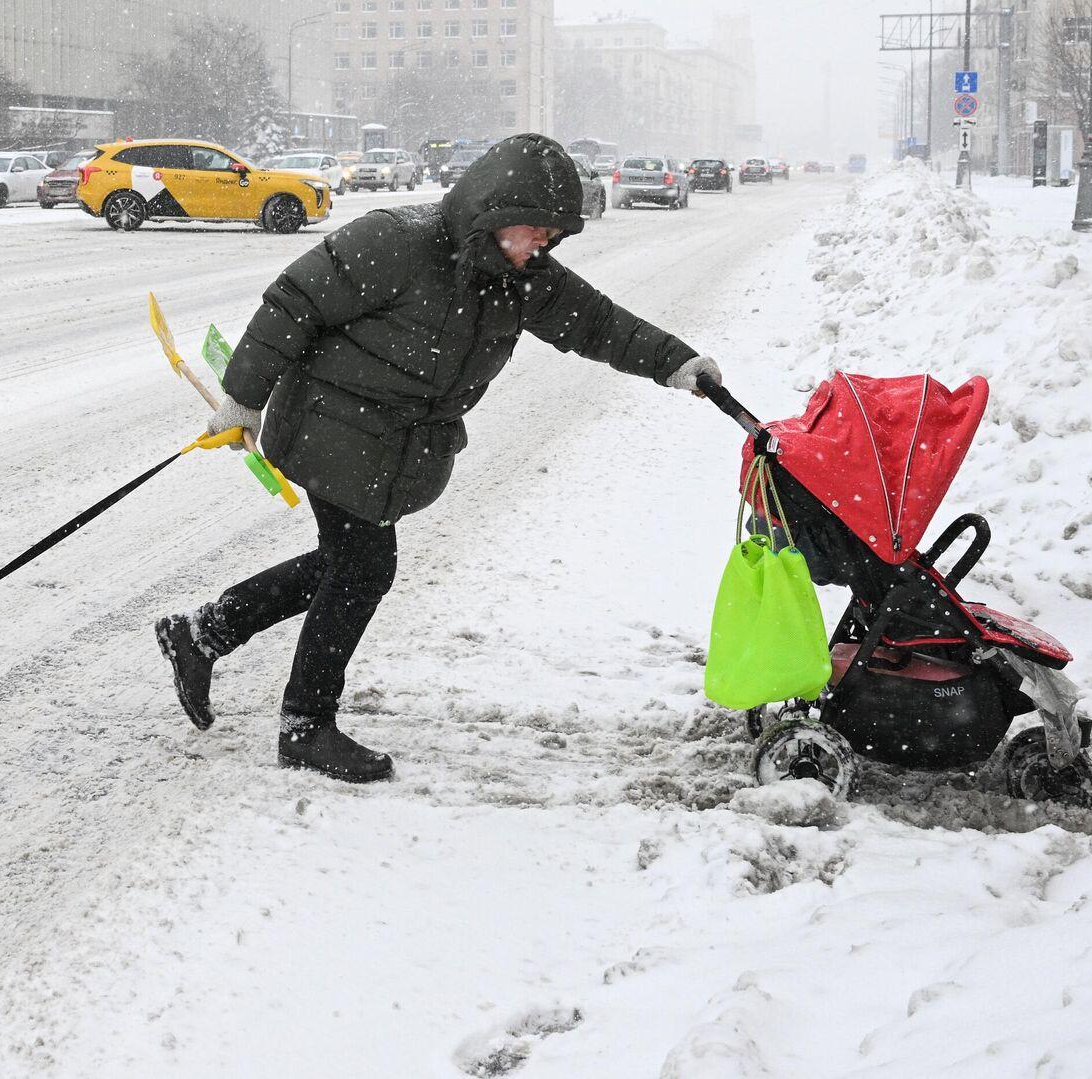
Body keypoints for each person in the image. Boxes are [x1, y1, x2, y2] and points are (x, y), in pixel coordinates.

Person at [155, 133, 724, 783]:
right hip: (331, 423)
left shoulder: (522, 279)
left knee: (348, 563)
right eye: (532, 228)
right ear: (492, 207)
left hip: (388, 444)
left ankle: (202, 632)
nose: (541, 244)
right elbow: (295, 302)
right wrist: (244, 399)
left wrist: (678, 362)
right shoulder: (397, 241)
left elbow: (599, 323)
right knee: (364, 567)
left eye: (550, 234)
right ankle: (304, 723)